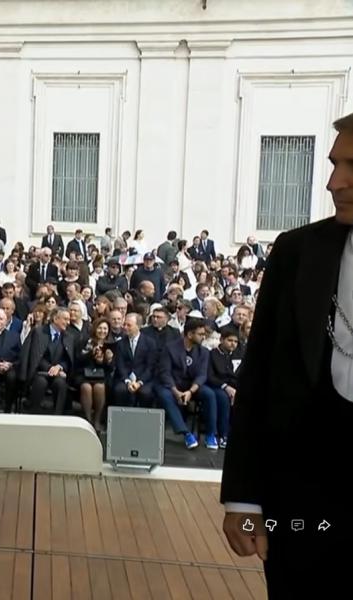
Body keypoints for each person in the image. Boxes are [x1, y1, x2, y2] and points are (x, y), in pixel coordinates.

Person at [221, 112, 353, 597]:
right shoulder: (298, 252)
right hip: (303, 506)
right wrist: (244, 498)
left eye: (351, 167)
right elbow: (259, 378)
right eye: (335, 164)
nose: (333, 182)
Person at [155, 317, 216, 449]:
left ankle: (211, 434)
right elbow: (165, 373)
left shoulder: (203, 352)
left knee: (209, 394)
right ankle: (186, 433)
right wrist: (176, 392)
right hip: (172, 386)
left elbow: (202, 375)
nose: (203, 337)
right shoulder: (170, 348)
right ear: (189, 334)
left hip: (191, 387)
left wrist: (190, 391)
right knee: (164, 395)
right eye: (200, 334)